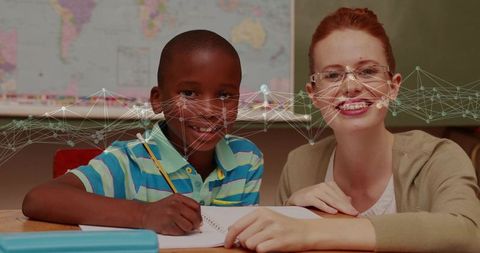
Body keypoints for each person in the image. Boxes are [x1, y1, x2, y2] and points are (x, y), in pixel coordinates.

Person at [224, 8, 480, 252]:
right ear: (314, 94)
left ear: (393, 86)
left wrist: (310, 231)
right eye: (333, 75)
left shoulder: (439, 158)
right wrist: (291, 212)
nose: (351, 87)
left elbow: (467, 234)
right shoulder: (299, 165)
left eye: (367, 71)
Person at [22, 30, 264, 236]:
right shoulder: (129, 161)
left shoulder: (246, 159)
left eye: (224, 95)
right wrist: (144, 214)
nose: (210, 111)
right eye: (189, 93)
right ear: (157, 101)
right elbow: (39, 199)